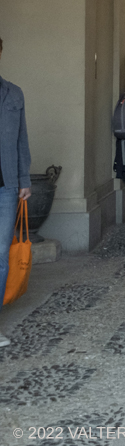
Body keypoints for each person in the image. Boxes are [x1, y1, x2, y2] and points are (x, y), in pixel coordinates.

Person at [0, 36, 32, 348]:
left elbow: (21, 139)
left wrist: (25, 179)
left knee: (0, 256)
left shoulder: (13, 93)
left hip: (6, 187)